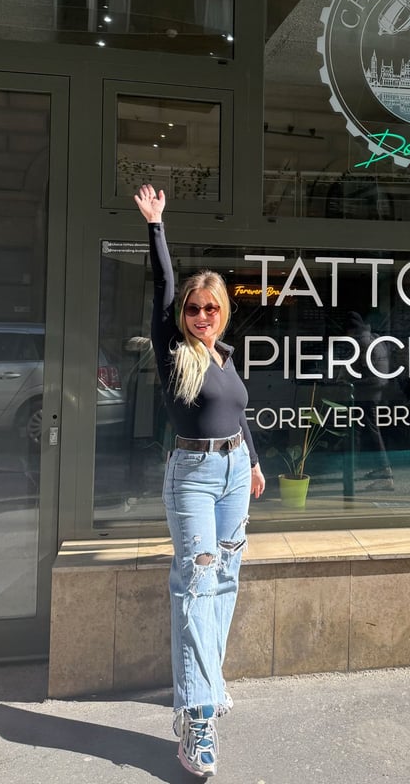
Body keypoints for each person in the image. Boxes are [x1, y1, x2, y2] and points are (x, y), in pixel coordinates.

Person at [134, 184, 266, 778]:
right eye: (194, 309)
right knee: (195, 584)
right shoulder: (174, 350)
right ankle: (196, 717)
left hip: (235, 471)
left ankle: (208, 681)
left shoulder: (225, 356)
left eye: (211, 308)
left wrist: (254, 462)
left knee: (227, 577)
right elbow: (163, 286)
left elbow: (237, 415)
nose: (202, 316)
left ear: (223, 312)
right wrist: (156, 226)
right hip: (192, 475)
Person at [344, 311, 394, 490]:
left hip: (367, 394)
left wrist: (350, 383)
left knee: (372, 433)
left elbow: (374, 377)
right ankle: (378, 469)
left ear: (351, 330)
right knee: (361, 431)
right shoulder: (374, 338)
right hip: (373, 394)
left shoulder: (363, 343)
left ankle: (385, 474)